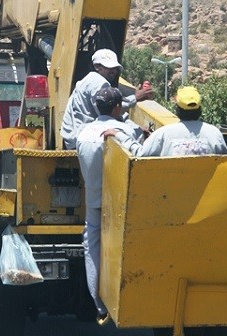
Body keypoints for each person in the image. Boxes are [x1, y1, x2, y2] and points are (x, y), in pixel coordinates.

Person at [75, 86, 144, 326]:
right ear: (117, 108)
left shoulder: (83, 134)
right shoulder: (126, 129)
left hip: (94, 200)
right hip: (122, 202)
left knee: (91, 248)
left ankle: (99, 304)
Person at [60, 48, 153, 149]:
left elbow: (117, 112)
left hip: (74, 137)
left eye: (115, 68)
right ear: (97, 67)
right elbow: (110, 110)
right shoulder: (98, 83)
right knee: (135, 140)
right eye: (109, 67)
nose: (113, 71)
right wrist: (135, 98)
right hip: (84, 138)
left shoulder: (88, 80)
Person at [105, 86, 227, 156]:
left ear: (178, 110)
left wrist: (118, 134)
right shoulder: (214, 133)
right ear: (199, 109)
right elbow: (226, 163)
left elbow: (140, 154)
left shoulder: (163, 134)